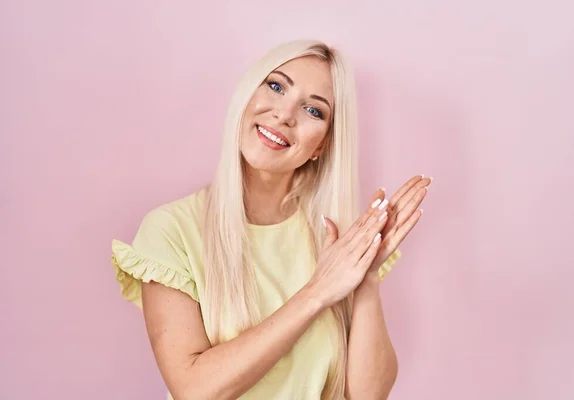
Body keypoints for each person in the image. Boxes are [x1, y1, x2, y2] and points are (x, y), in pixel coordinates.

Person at [111, 39, 432, 400]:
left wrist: (366, 277)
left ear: (323, 144)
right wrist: (317, 292)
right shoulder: (172, 230)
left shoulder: (337, 238)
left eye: (314, 111)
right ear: (248, 95)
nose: (284, 114)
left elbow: (368, 395)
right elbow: (195, 389)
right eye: (276, 86)